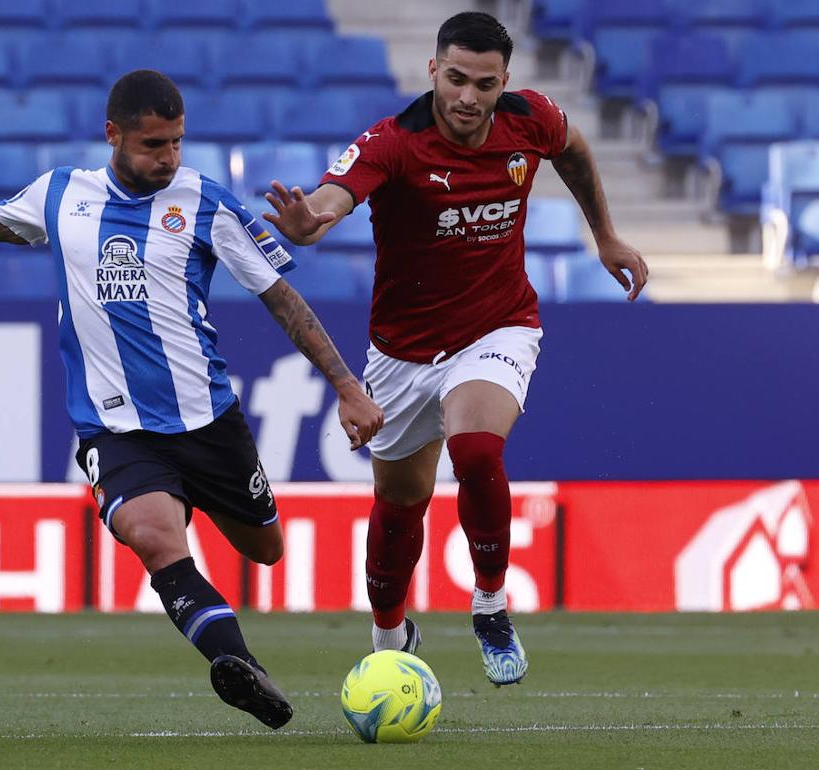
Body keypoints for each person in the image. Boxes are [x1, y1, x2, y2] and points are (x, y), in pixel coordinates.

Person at [0, 69, 383, 727]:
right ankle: (241, 667)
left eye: (176, 143)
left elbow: (279, 297)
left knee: (264, 549)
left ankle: (217, 560)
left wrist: (346, 387)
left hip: (207, 421)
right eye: (154, 145)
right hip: (114, 427)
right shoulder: (61, 194)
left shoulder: (205, 202)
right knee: (154, 539)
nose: (168, 158)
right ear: (113, 134)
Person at [263, 12, 648, 686]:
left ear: (506, 82)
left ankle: (491, 605)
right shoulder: (394, 141)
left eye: (486, 83)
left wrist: (605, 236)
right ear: (434, 69)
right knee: (398, 508)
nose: (469, 97)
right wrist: (313, 221)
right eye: (458, 79)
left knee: (475, 449)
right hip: (403, 352)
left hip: (497, 325)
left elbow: (576, 151)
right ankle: (390, 636)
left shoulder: (532, 119)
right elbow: (335, 194)